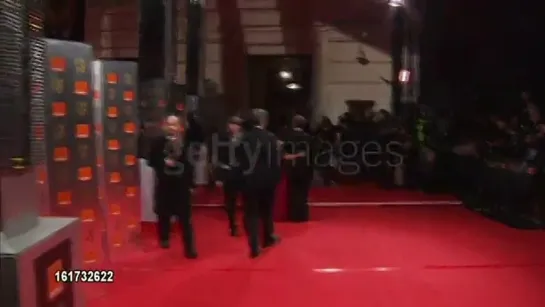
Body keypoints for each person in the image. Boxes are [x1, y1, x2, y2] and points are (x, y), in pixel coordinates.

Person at [148, 114, 198, 259]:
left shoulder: (187, 144)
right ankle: (164, 238)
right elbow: (151, 161)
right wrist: (164, 164)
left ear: (180, 127)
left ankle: (190, 249)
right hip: (164, 185)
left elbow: (190, 166)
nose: (171, 127)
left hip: (181, 187)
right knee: (163, 215)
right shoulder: (157, 143)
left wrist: (191, 184)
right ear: (164, 126)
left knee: (186, 220)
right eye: (169, 124)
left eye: (174, 124)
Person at [237, 109, 281, 258]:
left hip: (249, 181)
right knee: (267, 210)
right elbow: (275, 162)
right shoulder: (270, 137)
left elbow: (240, 163)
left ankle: (254, 246)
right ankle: (268, 237)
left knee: (251, 214)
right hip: (268, 182)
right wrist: (275, 179)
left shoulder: (244, 139)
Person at [213, 116, 244, 236]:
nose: (234, 127)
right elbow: (219, 156)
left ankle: (246, 222)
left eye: (237, 125)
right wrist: (219, 174)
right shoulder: (222, 138)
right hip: (229, 172)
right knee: (230, 200)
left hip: (242, 172)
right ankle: (233, 224)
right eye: (232, 124)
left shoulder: (245, 138)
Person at [282, 115, 314, 222]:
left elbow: (282, 153)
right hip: (305, 169)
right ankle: (302, 216)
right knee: (303, 193)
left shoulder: (286, 137)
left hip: (290, 168)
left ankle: (292, 215)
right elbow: (313, 154)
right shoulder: (309, 138)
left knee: (292, 192)